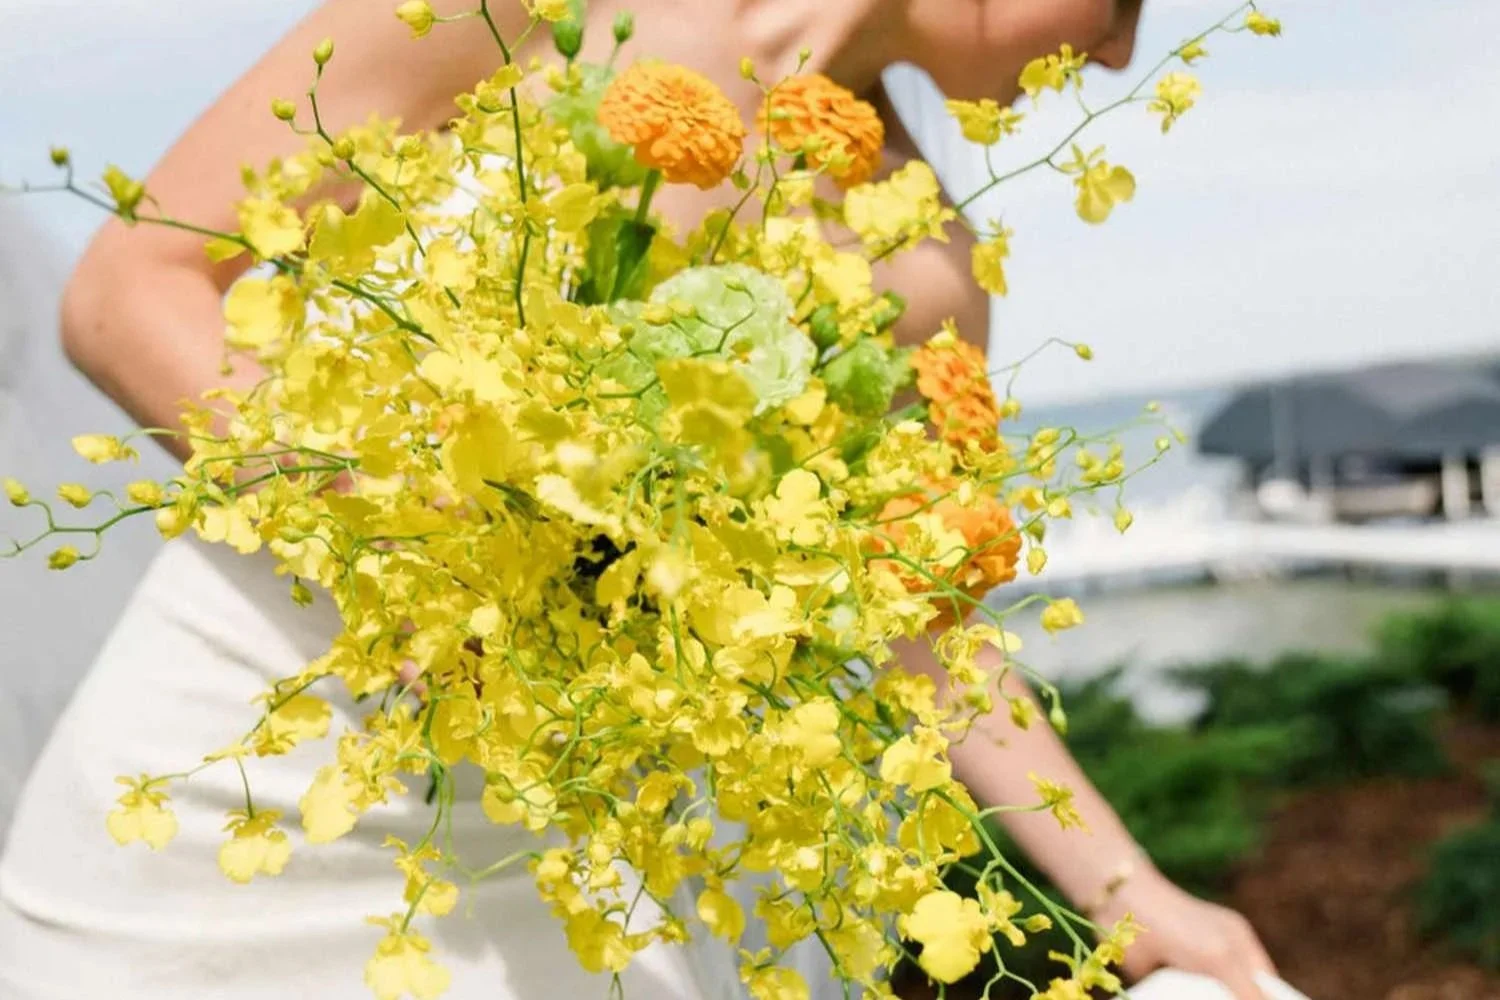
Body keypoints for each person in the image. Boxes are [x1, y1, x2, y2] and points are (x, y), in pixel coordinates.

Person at [0, 1, 1278, 998]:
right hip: (239, 768)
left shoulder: (926, 255)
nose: (1116, 60)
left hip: (566, 871)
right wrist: (415, 559)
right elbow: (132, 292)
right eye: (1122, 9)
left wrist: (1126, 887)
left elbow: (914, 612)